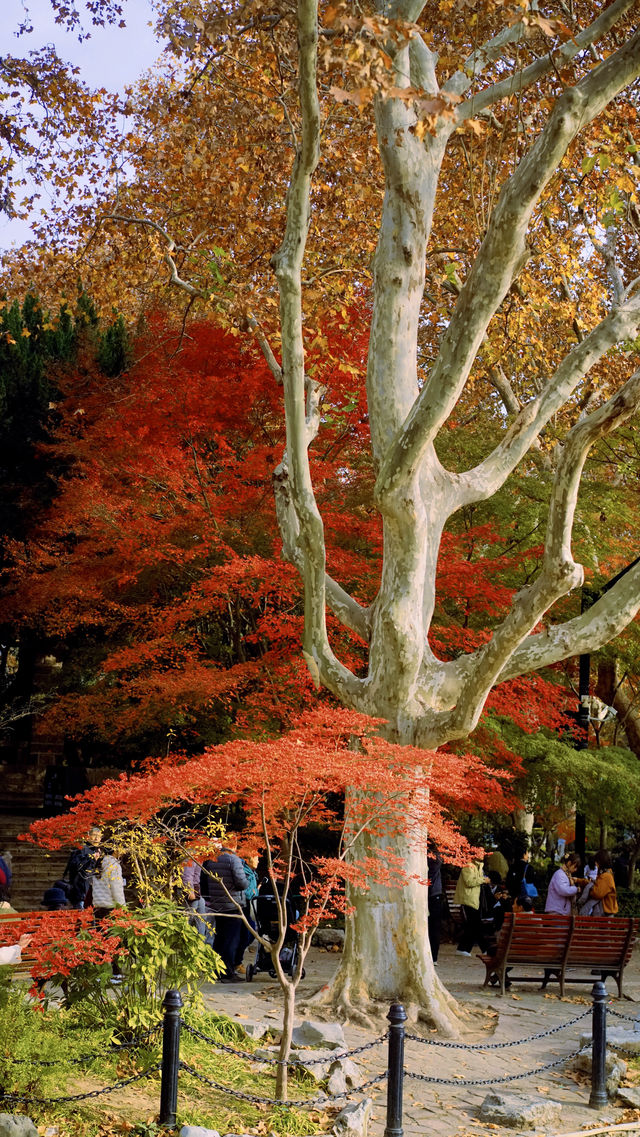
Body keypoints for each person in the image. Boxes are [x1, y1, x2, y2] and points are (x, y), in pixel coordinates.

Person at [201, 834, 248, 982]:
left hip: (217, 904)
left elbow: (205, 883)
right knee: (231, 940)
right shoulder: (234, 860)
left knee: (219, 938)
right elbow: (242, 883)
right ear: (233, 846)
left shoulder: (211, 862)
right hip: (232, 904)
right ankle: (228, 973)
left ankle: (216, 971)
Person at [454, 855, 490, 956]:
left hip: (475, 899)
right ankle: (485, 948)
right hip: (468, 899)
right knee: (475, 924)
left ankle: (463, 948)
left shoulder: (479, 866)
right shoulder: (468, 866)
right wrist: (483, 880)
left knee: (474, 925)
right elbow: (469, 882)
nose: (483, 855)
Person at [64, 825, 103, 908]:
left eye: (99, 836)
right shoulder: (81, 849)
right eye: (94, 835)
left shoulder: (100, 851)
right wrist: (92, 859)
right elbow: (77, 867)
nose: (96, 839)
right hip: (82, 890)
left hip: (96, 892)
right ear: (88, 836)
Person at [235, 853, 260, 974]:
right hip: (244, 906)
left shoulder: (251, 872)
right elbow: (249, 893)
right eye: (256, 858)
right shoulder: (246, 872)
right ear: (248, 860)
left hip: (247, 906)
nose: (258, 861)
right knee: (247, 934)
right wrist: (256, 891)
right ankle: (236, 962)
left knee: (248, 934)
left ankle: (237, 961)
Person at [92, 848, 126, 919]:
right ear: (115, 850)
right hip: (110, 906)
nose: (123, 852)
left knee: (99, 929)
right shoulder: (113, 865)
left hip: (98, 905)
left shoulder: (99, 862)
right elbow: (116, 887)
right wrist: (122, 906)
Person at [427, 842, 444, 964]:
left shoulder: (434, 858)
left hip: (432, 893)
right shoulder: (436, 857)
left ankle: (433, 956)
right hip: (434, 893)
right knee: (434, 925)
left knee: (433, 925)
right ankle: (433, 956)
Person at [588, 850, 618, 915]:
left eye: (597, 861)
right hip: (605, 911)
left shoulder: (606, 876)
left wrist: (590, 889)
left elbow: (597, 893)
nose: (595, 863)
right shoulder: (606, 873)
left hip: (605, 912)